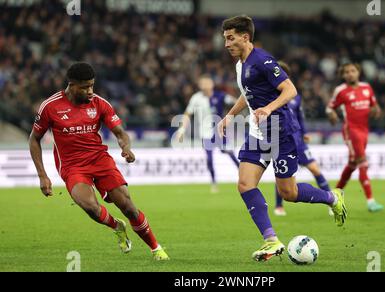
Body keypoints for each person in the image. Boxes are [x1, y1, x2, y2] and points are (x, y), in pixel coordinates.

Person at [218, 15, 347, 262]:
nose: (226, 44)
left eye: (230, 38)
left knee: (288, 192)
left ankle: (332, 197)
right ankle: (271, 241)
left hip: (280, 132)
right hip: (258, 133)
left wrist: (268, 108)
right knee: (245, 184)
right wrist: (230, 115)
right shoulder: (240, 64)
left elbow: (290, 90)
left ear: (245, 37)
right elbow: (247, 94)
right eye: (225, 38)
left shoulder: (263, 60)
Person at [29, 62, 169, 260]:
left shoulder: (99, 103)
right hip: (73, 166)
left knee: (128, 206)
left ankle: (156, 248)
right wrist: (42, 176)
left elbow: (120, 133)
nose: (90, 91)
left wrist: (126, 147)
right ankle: (116, 225)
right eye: (85, 87)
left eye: (92, 85)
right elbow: (34, 139)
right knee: (91, 208)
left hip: (100, 160)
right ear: (71, 84)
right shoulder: (51, 106)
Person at [273, 61, 332, 217]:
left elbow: (299, 117)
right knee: (282, 176)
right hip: (282, 141)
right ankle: (279, 206)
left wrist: (304, 132)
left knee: (315, 169)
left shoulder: (294, 96)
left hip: (298, 140)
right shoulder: (270, 95)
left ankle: (331, 200)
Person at [326, 62, 383, 212]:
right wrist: (331, 114)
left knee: (352, 164)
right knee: (362, 162)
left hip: (364, 130)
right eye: (347, 72)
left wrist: (376, 111)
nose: (350, 74)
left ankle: (332, 199)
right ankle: (371, 201)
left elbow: (374, 106)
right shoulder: (341, 90)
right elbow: (330, 107)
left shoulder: (367, 88)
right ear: (343, 75)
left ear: (358, 72)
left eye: (353, 71)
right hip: (351, 131)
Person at [176, 75, 239, 193]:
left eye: (207, 83)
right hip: (206, 134)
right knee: (209, 159)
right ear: (200, 86)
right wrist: (181, 130)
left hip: (220, 133)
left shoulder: (220, 96)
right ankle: (214, 183)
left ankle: (244, 177)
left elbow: (236, 102)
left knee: (231, 154)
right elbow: (187, 114)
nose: (205, 85)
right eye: (202, 83)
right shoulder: (196, 98)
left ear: (212, 84)